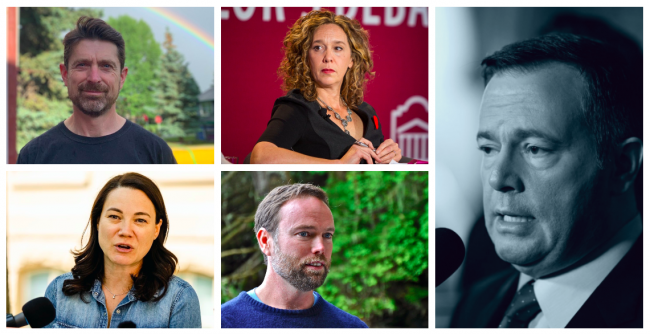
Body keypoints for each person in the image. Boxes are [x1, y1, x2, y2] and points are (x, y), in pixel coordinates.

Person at [451, 34, 642, 328]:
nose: (498, 178)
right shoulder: (476, 303)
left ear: (622, 166)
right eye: (489, 149)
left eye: (535, 149)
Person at [44, 173, 200, 328]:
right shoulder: (59, 291)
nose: (125, 231)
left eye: (140, 220)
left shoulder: (179, 299)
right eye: (114, 216)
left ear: (156, 229)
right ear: (98, 221)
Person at [250, 10, 403, 164]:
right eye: (318, 48)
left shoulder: (367, 113)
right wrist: (339, 164)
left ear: (351, 60)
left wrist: (391, 156)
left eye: (338, 48)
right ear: (306, 58)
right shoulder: (297, 108)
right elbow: (260, 156)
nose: (328, 58)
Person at [17, 17, 176, 164]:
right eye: (82, 65)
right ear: (65, 74)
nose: (94, 78)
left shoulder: (156, 153)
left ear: (122, 77)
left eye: (106, 66)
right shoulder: (34, 156)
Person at [221, 183, 368, 328]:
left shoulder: (351, 327)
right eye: (304, 234)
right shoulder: (225, 323)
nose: (321, 247)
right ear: (265, 241)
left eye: (327, 235)